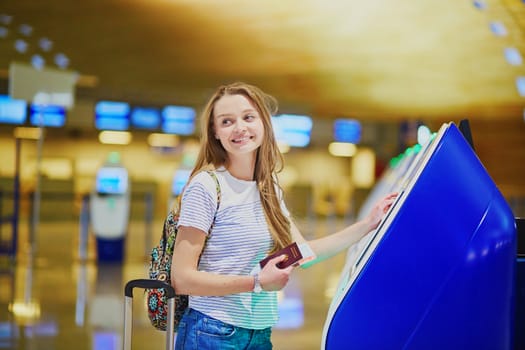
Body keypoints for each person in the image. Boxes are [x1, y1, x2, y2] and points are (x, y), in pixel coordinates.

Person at [171, 82, 397, 349]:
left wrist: (368, 224)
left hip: (259, 333)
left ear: (264, 124)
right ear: (216, 133)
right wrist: (256, 281)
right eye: (227, 121)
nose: (240, 127)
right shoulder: (206, 186)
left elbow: (301, 253)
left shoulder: (269, 188)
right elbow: (182, 278)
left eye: (248, 117)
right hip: (211, 332)